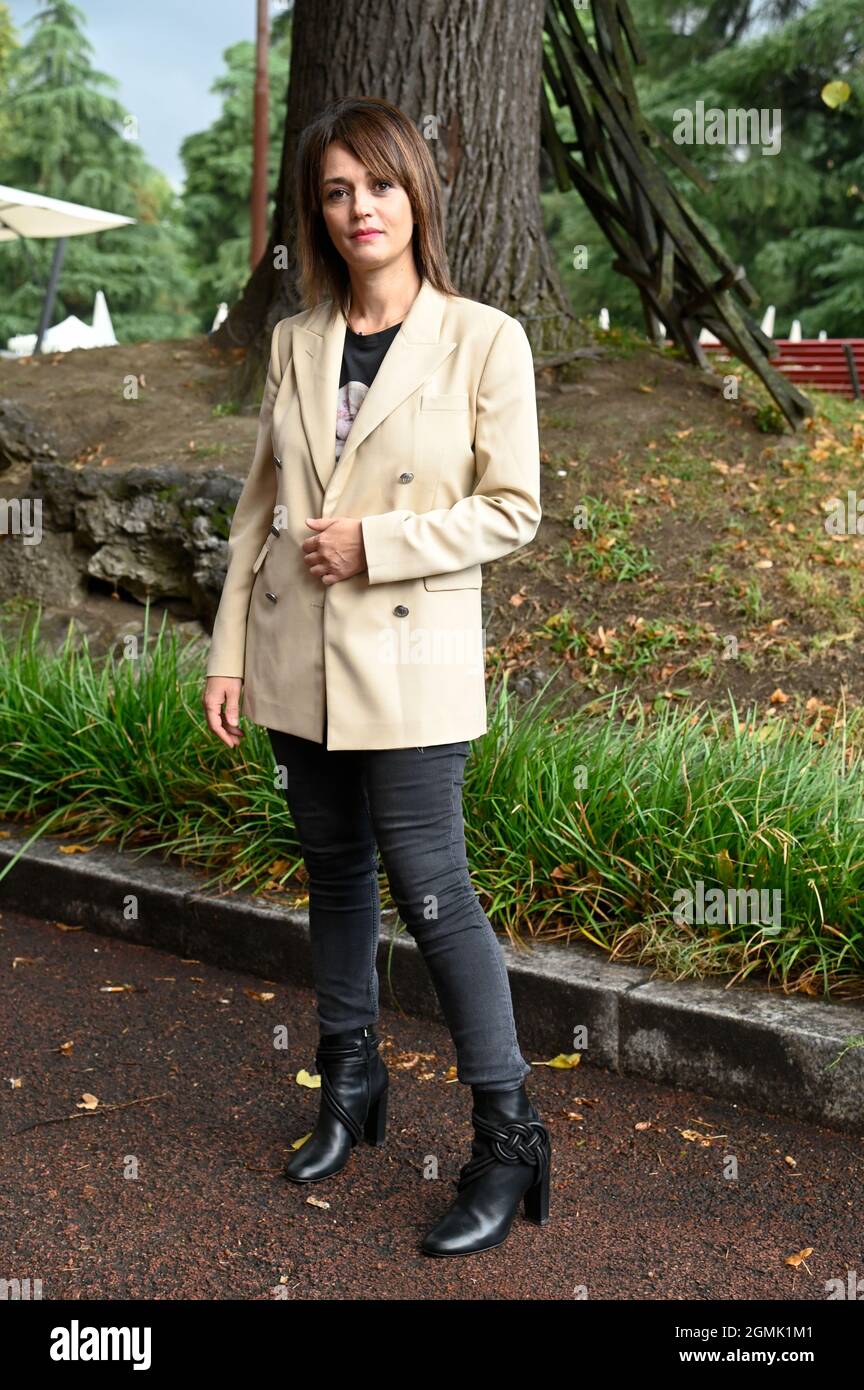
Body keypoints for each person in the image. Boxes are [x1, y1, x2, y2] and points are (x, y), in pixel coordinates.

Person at [202, 95, 550, 1258]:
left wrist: (378, 544)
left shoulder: (484, 338)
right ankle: (347, 1083)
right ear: (319, 208)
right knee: (335, 875)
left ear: (418, 195)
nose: (361, 209)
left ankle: (507, 1138)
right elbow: (258, 509)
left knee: (433, 888)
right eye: (339, 191)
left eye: (381, 186)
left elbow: (515, 508)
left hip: (412, 661)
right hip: (299, 656)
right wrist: (228, 650)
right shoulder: (298, 339)